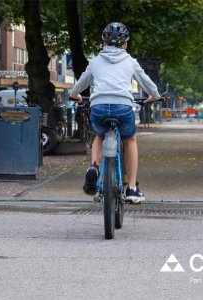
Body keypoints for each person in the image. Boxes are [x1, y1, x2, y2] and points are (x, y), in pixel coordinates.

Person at [69, 22, 160, 204]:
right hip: (123, 107)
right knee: (130, 140)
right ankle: (132, 188)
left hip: (99, 107)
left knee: (99, 137)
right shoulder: (130, 62)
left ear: (103, 42)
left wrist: (75, 96)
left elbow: (80, 85)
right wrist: (154, 96)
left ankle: (94, 167)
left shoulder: (95, 61)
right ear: (125, 44)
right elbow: (149, 84)